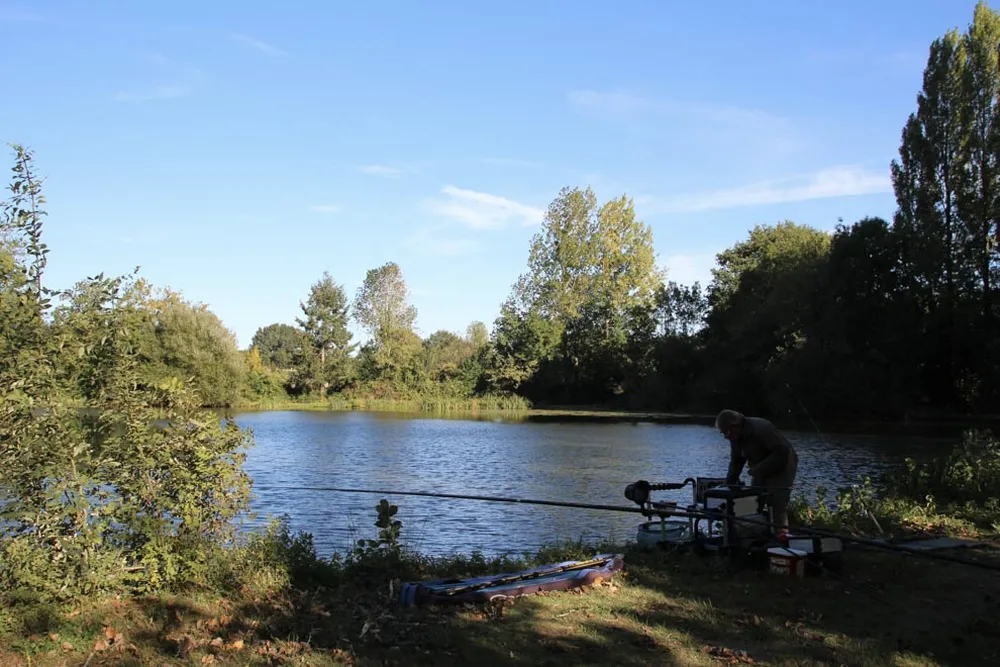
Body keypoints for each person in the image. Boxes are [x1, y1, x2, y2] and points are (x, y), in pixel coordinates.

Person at [715, 409, 798, 534]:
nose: (726, 437)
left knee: (776, 503)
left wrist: (759, 469)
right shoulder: (735, 437)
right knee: (754, 500)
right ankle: (756, 536)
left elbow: (782, 452)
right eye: (723, 434)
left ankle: (782, 538)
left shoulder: (761, 428)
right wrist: (728, 485)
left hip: (784, 464)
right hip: (759, 465)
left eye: (727, 432)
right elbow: (736, 462)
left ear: (735, 425)